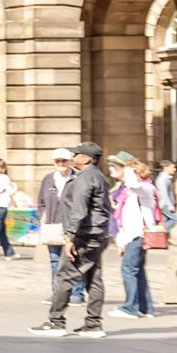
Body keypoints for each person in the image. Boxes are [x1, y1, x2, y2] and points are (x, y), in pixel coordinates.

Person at [31, 142, 111, 337]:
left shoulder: (84, 178)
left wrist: (70, 238)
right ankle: (93, 324)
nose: (73, 157)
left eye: (77, 154)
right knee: (94, 278)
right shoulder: (98, 176)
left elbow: (79, 209)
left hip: (84, 234)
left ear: (86, 159)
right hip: (98, 232)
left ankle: (56, 322)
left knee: (64, 277)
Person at [111, 152, 159, 318]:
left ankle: (130, 307)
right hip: (132, 235)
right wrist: (121, 240)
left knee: (129, 270)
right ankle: (145, 308)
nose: (113, 170)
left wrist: (127, 168)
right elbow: (125, 218)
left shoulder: (145, 188)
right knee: (137, 271)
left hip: (138, 235)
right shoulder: (130, 192)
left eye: (116, 167)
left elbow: (133, 184)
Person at [155, 160, 177, 241]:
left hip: (165, 203)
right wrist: (169, 205)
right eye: (172, 167)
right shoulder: (163, 179)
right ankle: (160, 235)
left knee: (164, 221)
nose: (174, 169)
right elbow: (163, 193)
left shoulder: (166, 178)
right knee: (174, 219)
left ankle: (159, 238)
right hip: (165, 203)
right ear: (165, 168)